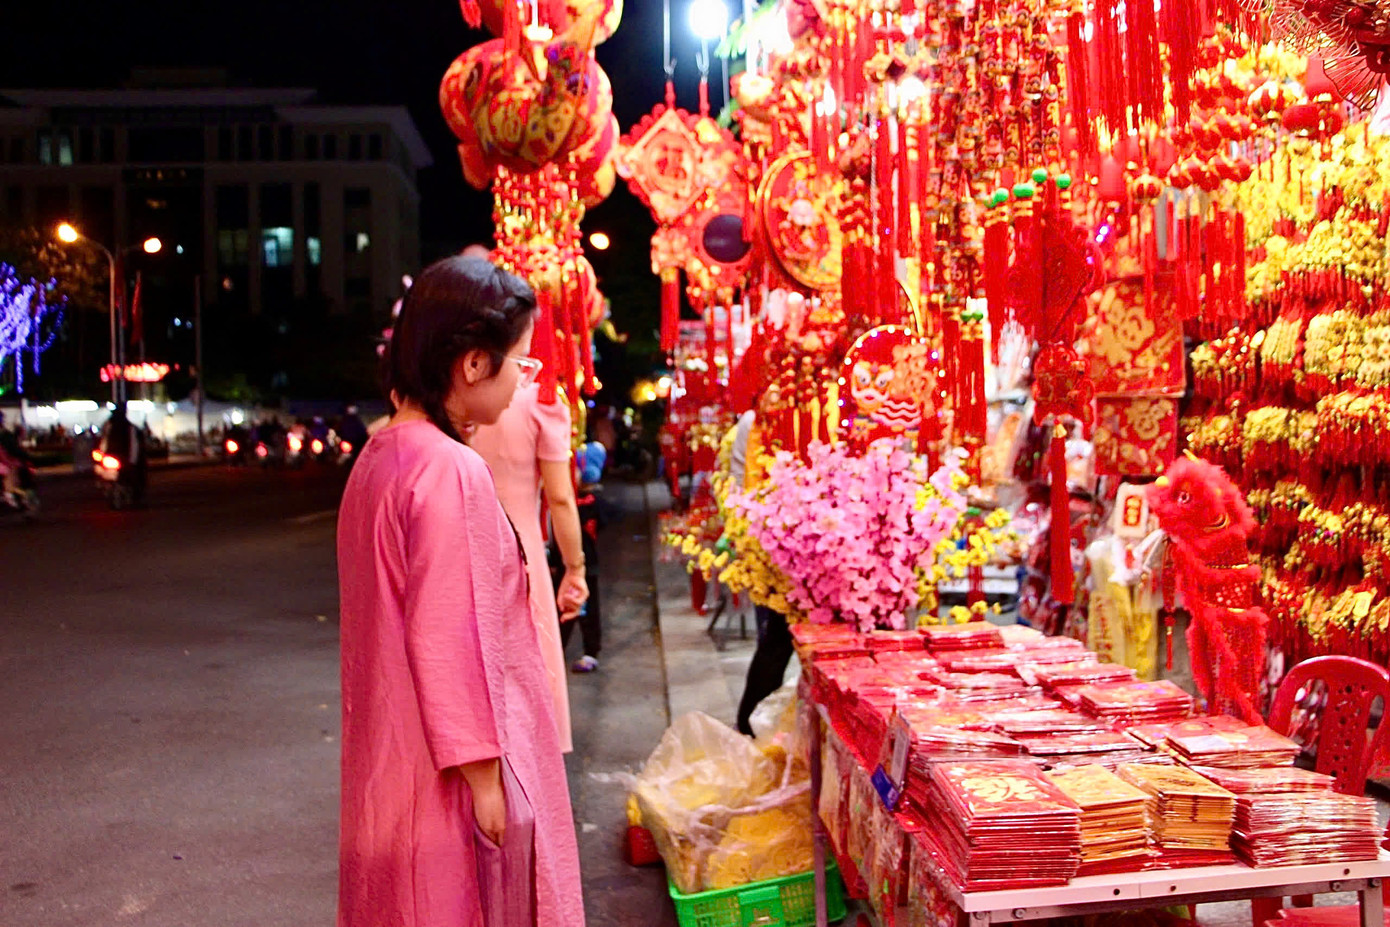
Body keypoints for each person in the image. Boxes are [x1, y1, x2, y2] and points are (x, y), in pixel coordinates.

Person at [335, 256, 583, 927]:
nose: (523, 383)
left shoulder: (380, 456)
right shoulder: (450, 470)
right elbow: (452, 635)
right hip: (451, 776)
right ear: (473, 364)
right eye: (519, 364)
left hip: (394, 757)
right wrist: (484, 780)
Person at [469, 374, 588, 748]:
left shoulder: (455, 394)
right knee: (524, 673)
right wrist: (575, 567)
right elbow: (561, 498)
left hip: (461, 548)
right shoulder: (542, 401)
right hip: (522, 554)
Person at [727, 408, 794, 737]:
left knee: (777, 644)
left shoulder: (838, 404)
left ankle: (753, 728)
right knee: (775, 643)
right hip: (774, 551)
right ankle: (751, 729)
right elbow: (740, 486)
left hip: (823, 548)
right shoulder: (756, 421)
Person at [556, 440, 606, 672]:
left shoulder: (592, 503)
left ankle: (590, 650)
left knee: (587, 609)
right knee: (564, 608)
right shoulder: (574, 501)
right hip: (569, 564)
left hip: (587, 565)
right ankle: (557, 650)